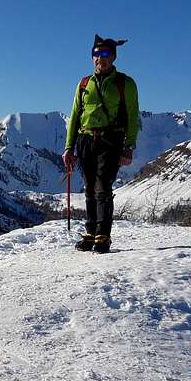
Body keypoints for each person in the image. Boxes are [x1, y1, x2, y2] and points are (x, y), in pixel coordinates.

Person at [62, 34, 140, 253]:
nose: (100, 58)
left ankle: (103, 235)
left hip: (111, 139)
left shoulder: (126, 84)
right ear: (91, 58)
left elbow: (133, 116)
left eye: (105, 54)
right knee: (89, 186)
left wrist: (129, 146)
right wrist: (69, 147)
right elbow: (75, 115)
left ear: (113, 57)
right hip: (85, 139)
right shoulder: (84, 84)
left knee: (102, 185)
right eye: (96, 54)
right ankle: (90, 233)